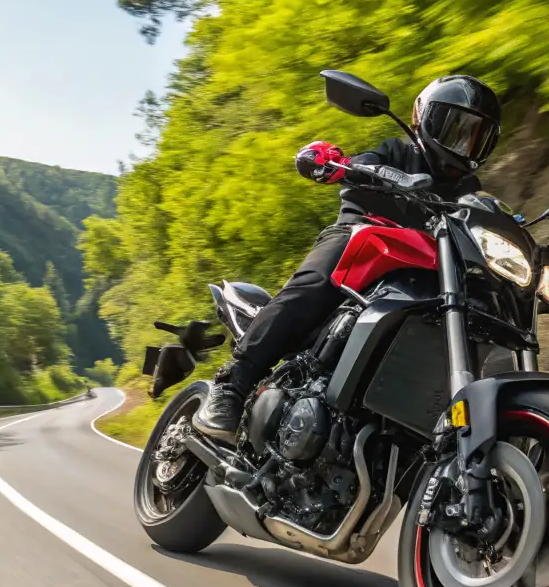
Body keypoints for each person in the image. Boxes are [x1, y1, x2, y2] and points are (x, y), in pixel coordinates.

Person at [193, 75, 503, 440]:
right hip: (362, 239)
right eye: (455, 128)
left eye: (475, 136)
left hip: (425, 271)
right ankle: (233, 383)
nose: (463, 142)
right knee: (314, 283)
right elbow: (357, 164)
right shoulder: (397, 153)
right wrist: (334, 162)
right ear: (425, 118)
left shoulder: (469, 193)